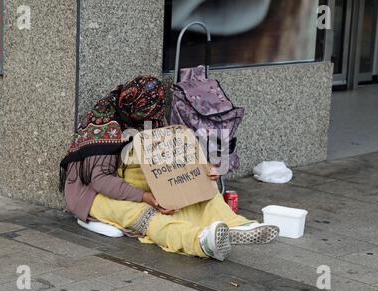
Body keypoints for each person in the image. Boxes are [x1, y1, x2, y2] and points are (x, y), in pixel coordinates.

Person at [60, 76, 279, 261]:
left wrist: (201, 170)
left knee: (200, 192)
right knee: (147, 215)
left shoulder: (151, 117)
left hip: (138, 182)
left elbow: (172, 155)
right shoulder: (105, 125)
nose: (152, 120)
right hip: (92, 193)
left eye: (154, 116)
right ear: (133, 106)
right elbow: (100, 180)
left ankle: (235, 225)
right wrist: (146, 197)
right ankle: (200, 242)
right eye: (146, 115)